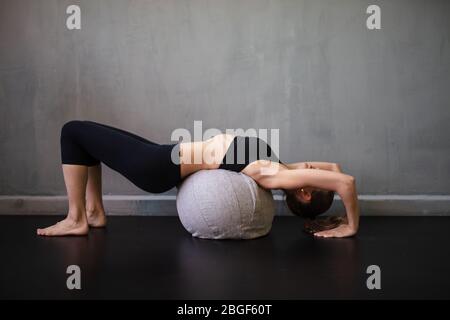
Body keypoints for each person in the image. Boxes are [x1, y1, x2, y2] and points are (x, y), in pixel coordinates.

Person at [37, 120, 360, 238]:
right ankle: (92, 213)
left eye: (315, 180)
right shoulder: (284, 166)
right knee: (85, 137)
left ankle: (76, 217)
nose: (319, 171)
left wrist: (351, 225)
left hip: (156, 166)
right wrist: (336, 216)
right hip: (164, 154)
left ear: (303, 192)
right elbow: (334, 167)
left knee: (73, 131)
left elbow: (344, 182)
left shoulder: (272, 174)